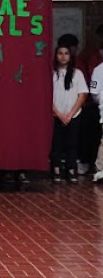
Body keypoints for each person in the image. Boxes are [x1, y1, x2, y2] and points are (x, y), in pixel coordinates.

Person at [51, 43, 85, 184]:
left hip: (73, 115)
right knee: (56, 144)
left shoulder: (77, 74)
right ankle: (56, 169)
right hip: (56, 114)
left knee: (72, 144)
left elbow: (82, 95)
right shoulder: (52, 74)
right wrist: (59, 114)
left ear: (70, 56)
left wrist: (70, 114)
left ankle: (71, 170)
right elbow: (47, 96)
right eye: (60, 53)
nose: (63, 56)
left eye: (66, 53)